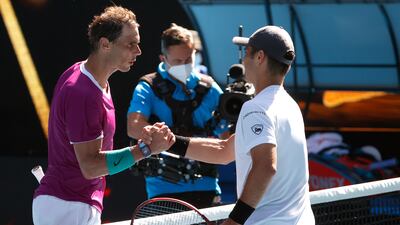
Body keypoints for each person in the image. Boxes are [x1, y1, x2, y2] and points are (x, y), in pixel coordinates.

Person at [144, 25, 315, 225]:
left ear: (260, 57)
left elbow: (266, 166)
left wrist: (234, 221)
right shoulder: (290, 106)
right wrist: (170, 143)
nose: (243, 61)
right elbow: (224, 151)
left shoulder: (256, 109)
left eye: (247, 53)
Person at [32, 6, 174, 225]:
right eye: (131, 44)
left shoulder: (88, 78)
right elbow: (90, 166)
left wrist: (142, 143)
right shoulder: (82, 93)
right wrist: (145, 149)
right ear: (105, 44)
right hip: (67, 207)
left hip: (71, 204)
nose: (138, 51)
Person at [127, 23, 229, 208]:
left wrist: (226, 124)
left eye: (188, 60)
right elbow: (133, 127)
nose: (184, 65)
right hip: (163, 191)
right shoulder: (148, 87)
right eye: (177, 61)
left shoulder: (211, 88)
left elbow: (226, 140)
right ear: (163, 58)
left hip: (207, 187)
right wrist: (155, 133)